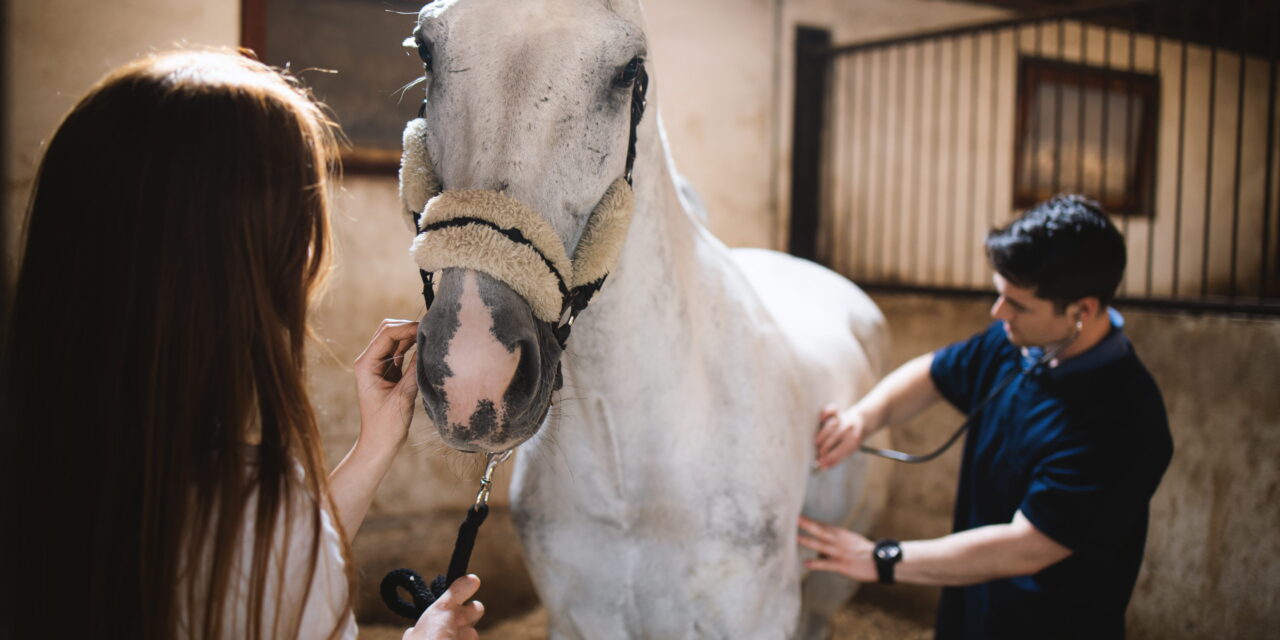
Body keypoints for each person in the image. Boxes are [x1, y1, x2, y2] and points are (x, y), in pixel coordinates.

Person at [0, 51, 482, 639]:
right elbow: (268, 559)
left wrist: (375, 445)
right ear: (256, 269)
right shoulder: (261, 516)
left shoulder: (54, 470)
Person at [798, 195, 1173, 639]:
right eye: (1000, 296)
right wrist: (864, 417)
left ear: (1082, 311)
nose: (999, 314)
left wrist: (883, 559)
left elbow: (1028, 546)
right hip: (971, 614)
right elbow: (936, 373)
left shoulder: (1124, 420)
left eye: (1018, 304)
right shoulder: (1019, 344)